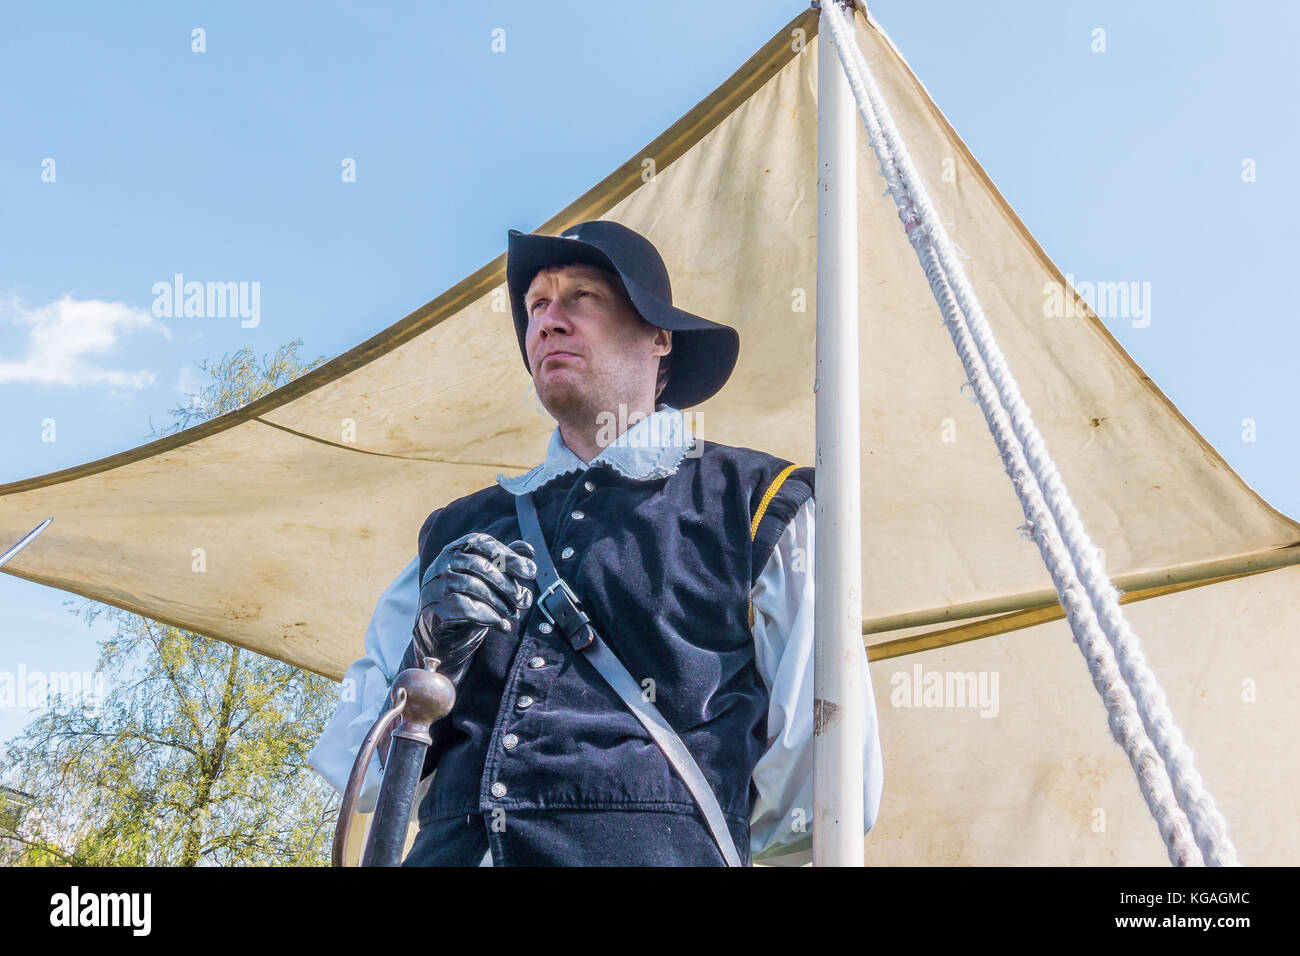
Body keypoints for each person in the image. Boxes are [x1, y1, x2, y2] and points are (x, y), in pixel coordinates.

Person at [309, 220, 883, 865]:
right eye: (536, 306)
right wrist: (424, 662)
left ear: (659, 336)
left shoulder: (757, 502)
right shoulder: (455, 530)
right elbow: (355, 765)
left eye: (583, 296)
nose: (549, 321)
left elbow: (829, 783)